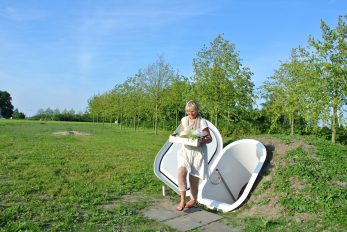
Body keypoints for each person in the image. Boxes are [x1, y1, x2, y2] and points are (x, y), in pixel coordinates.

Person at [176, 100, 212, 211]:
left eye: (193, 111)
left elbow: (209, 138)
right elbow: (180, 134)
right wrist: (179, 136)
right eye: (188, 111)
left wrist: (202, 141)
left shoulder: (202, 122)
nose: (191, 114)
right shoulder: (184, 120)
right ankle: (182, 200)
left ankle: (194, 199)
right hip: (185, 151)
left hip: (197, 153)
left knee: (193, 178)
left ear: (197, 111)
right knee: (181, 173)